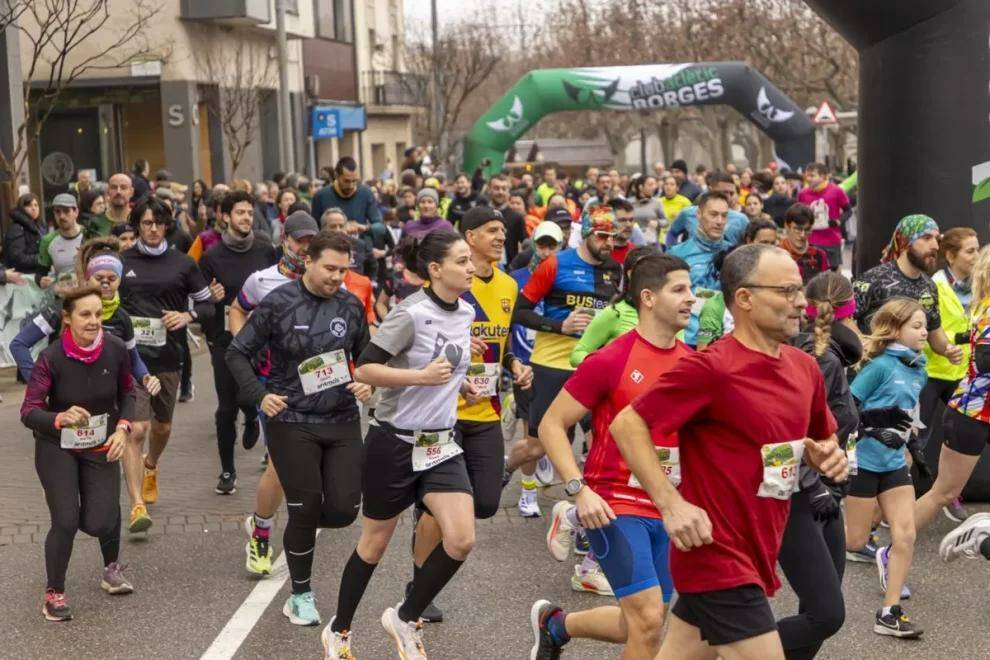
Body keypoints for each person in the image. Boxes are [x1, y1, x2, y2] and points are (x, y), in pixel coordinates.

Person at [610, 243, 846, 660]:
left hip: (759, 546)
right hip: (715, 553)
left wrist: (827, 454)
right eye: (787, 291)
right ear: (745, 299)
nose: (801, 303)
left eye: (800, 290)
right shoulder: (713, 368)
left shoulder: (804, 367)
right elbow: (627, 424)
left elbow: (822, 438)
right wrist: (671, 505)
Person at [531, 254, 694, 660]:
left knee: (641, 622)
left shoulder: (693, 363)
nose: (691, 298)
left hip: (668, 504)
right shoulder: (612, 358)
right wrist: (578, 490)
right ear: (648, 298)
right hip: (614, 503)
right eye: (679, 289)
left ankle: (556, 625)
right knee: (647, 620)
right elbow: (552, 424)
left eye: (691, 289)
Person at [323, 232, 477, 659]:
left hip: (440, 443)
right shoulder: (411, 313)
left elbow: (448, 365)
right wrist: (421, 378)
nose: (471, 268)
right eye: (462, 261)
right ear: (435, 270)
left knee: (461, 539)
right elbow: (365, 368)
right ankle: (339, 630)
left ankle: (406, 617)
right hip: (394, 441)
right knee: (374, 543)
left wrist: (462, 386)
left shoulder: (466, 312)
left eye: (470, 260)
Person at [227, 230, 372, 628]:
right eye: (329, 268)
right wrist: (259, 395)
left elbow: (367, 357)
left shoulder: (350, 305)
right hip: (291, 419)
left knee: (344, 510)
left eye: (343, 270)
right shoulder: (278, 303)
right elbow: (237, 352)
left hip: (341, 418)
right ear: (307, 261)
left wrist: (369, 383)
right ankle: (300, 595)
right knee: (305, 507)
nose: (337, 277)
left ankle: (298, 520)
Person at [408, 206, 534, 623]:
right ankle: (419, 588)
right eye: (491, 230)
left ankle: (431, 506)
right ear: (470, 237)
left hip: (485, 409)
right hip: (442, 410)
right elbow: (420, 337)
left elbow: (503, 340)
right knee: (437, 507)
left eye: (503, 231)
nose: (501, 237)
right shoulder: (450, 282)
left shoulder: (508, 285)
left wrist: (514, 364)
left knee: (485, 503)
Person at [20, 284, 136, 621]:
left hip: (100, 444)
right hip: (57, 446)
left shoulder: (115, 349)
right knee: (66, 520)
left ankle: (110, 566)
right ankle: (54, 593)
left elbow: (128, 392)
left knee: (100, 521)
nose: (94, 321)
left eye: (98, 314)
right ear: (67, 318)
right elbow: (28, 411)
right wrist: (58, 417)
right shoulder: (51, 358)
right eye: (85, 314)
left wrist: (123, 428)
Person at [504, 205, 621, 520]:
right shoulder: (555, 265)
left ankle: (589, 510)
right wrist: (560, 326)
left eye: (612, 236)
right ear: (586, 233)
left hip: (592, 365)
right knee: (537, 445)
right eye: (602, 236)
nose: (609, 242)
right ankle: (508, 466)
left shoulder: (615, 270)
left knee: (599, 438)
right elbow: (520, 312)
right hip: (551, 364)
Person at [231, 210, 320, 577]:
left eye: (312, 241)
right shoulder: (261, 281)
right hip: (274, 386)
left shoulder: (331, 281)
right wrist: (244, 346)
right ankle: (261, 534)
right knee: (281, 464)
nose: (306, 248)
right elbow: (237, 309)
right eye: (301, 241)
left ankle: (282, 522)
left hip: (317, 386)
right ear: (285, 241)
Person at [118, 196, 215, 533]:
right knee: (137, 429)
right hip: (132, 358)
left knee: (162, 427)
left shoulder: (183, 264)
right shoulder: (123, 262)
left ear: (167, 225)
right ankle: (137, 505)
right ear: (137, 225)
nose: (153, 229)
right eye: (147, 223)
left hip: (169, 356)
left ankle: (151, 464)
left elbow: (208, 307)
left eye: (159, 223)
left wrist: (186, 316)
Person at [778, 271, 861, 658]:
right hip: (806, 495)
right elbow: (796, 428)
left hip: (827, 492)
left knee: (820, 612)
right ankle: (730, 649)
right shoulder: (820, 358)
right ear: (849, 313)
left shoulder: (832, 358)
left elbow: (837, 421)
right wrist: (816, 484)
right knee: (824, 614)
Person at [846, 298, 927, 638]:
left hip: (893, 465)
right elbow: (846, 410)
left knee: (905, 534)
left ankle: (889, 612)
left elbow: (909, 416)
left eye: (925, 326)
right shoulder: (879, 367)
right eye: (917, 326)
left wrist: (914, 447)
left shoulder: (919, 369)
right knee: (854, 540)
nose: (925, 332)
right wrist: (873, 427)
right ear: (894, 330)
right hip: (863, 462)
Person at [198, 190, 277, 494]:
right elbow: (200, 303)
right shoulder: (211, 257)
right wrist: (211, 298)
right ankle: (228, 470)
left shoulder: (265, 250)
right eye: (240, 212)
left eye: (249, 213)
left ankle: (252, 415)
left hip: (262, 340)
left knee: (250, 397)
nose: (246, 218)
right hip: (226, 339)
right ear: (225, 216)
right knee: (226, 407)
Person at [11, 238, 159, 396]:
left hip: (106, 400)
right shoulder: (63, 308)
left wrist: (145, 378)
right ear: (88, 278)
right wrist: (37, 384)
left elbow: (134, 360)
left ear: (120, 280)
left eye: (112, 278)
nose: (105, 284)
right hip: (64, 400)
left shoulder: (122, 317)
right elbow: (19, 344)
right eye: (99, 278)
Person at [915, 244, 990, 540]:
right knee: (944, 493)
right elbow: (985, 360)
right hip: (972, 414)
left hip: (977, 409)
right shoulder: (988, 308)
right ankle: (893, 547)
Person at [853, 214, 963, 369]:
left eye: (937, 239)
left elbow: (934, 332)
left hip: (910, 375)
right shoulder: (874, 279)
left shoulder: (929, 286)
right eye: (926, 238)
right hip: (871, 374)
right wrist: (863, 343)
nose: (936, 246)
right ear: (905, 242)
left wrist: (948, 349)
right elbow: (844, 318)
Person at [571, 246, 658, 366]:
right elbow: (577, 355)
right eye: (648, 269)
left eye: (659, 270)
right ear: (630, 274)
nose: (655, 275)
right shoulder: (615, 313)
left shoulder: (669, 316)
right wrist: (610, 366)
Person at [669, 191, 732, 348]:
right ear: (698, 214)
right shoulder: (677, 254)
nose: (719, 221)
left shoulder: (734, 253)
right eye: (713, 215)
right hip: (688, 339)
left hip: (726, 340)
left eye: (724, 216)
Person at [666, 172, 748, 247]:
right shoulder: (688, 213)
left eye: (731, 193)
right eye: (724, 193)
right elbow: (672, 233)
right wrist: (671, 251)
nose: (729, 197)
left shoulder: (741, 219)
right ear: (710, 190)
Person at [798, 163, 849, 272]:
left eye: (812, 175)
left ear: (823, 176)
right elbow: (798, 214)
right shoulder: (802, 193)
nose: (808, 178)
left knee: (833, 273)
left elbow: (848, 211)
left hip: (831, 239)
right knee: (811, 272)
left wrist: (838, 221)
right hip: (810, 240)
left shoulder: (836, 191)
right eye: (807, 175)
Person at [311, 157, 383, 226]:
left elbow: (379, 225)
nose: (351, 186)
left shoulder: (366, 193)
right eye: (346, 181)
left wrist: (364, 228)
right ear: (336, 176)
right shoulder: (320, 196)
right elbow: (314, 227)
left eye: (354, 181)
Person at [36, 193, 85, 288]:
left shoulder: (90, 235)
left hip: (89, 293)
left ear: (76, 212)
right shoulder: (48, 240)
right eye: (57, 212)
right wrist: (41, 281)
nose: (62, 216)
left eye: (66, 211)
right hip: (63, 294)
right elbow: (40, 273)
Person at [781, 203, 830, 283]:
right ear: (787, 227)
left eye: (807, 230)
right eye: (797, 229)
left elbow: (827, 285)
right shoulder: (776, 253)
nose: (802, 235)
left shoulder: (819, 255)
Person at [487, 174, 526, 264]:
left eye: (504, 189)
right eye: (496, 188)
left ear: (508, 191)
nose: (500, 192)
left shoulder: (517, 217)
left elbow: (525, 243)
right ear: (489, 189)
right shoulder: (480, 214)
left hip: (508, 267)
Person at [4, 193, 47, 275]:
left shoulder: (40, 226)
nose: (34, 208)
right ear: (22, 209)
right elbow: (17, 258)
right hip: (25, 276)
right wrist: (43, 258)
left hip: (40, 273)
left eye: (36, 205)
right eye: (29, 206)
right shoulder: (17, 228)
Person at [628, 174, 665, 244]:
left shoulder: (657, 202)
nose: (654, 187)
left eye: (655, 184)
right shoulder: (629, 203)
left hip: (652, 244)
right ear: (641, 187)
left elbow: (665, 222)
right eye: (650, 185)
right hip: (633, 243)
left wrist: (657, 223)